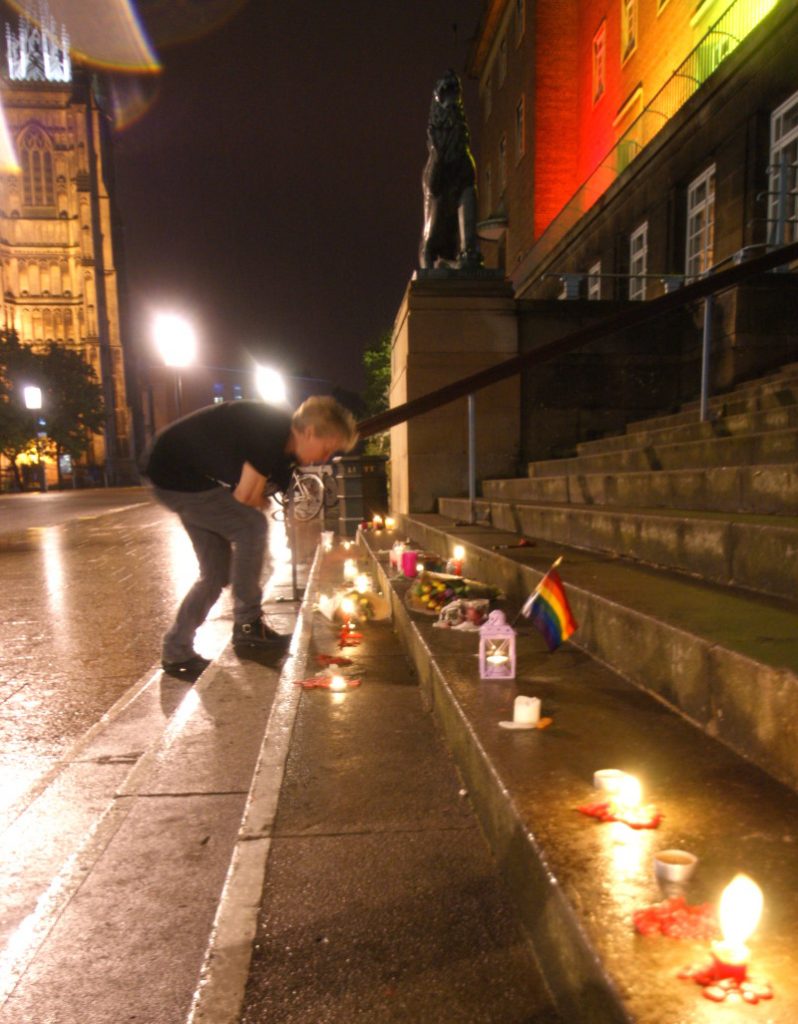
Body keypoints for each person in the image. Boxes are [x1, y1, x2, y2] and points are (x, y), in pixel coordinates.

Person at [142, 395, 358, 674]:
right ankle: (248, 625)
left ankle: (176, 651)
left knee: (216, 573)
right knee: (251, 527)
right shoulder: (270, 429)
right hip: (173, 473)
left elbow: (282, 510)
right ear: (308, 432)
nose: (326, 458)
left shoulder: (285, 458)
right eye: (326, 448)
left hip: (188, 480)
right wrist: (258, 500)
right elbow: (246, 497)